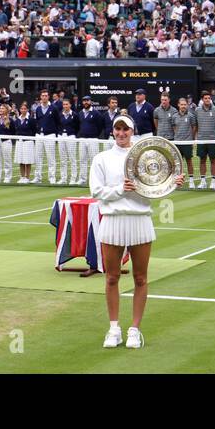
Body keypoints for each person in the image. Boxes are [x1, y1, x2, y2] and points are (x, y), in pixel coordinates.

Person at [90, 113, 183, 349]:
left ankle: (134, 330)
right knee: (111, 277)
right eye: (118, 129)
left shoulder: (145, 155)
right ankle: (114, 329)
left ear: (133, 131)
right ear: (113, 131)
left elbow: (156, 187)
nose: (121, 133)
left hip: (140, 221)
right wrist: (120, 190)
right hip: (112, 221)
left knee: (140, 278)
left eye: (126, 129)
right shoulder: (101, 158)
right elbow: (96, 191)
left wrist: (173, 183)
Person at [193, 90, 215, 189]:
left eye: (209, 98)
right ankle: (203, 181)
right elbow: (196, 124)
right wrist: (196, 138)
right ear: (202, 99)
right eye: (205, 98)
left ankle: (213, 181)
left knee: (213, 160)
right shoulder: (197, 110)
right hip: (201, 140)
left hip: (212, 140)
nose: (207, 100)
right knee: (202, 160)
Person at [167, 97, 199, 187]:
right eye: (182, 104)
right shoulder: (174, 116)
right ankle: (177, 181)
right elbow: (174, 128)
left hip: (187, 143)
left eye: (185, 104)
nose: (183, 106)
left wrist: (191, 139)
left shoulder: (191, 116)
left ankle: (191, 181)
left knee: (189, 161)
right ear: (178, 105)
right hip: (177, 143)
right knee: (177, 163)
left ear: (187, 105)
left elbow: (194, 128)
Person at [13, 101, 37, 183]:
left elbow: (34, 130)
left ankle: (27, 177)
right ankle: (22, 177)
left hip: (28, 142)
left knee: (27, 161)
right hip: (19, 142)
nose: (23, 110)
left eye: (24, 109)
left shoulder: (31, 119)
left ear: (27, 110)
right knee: (21, 160)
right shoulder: (17, 120)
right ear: (20, 110)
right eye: (22, 109)